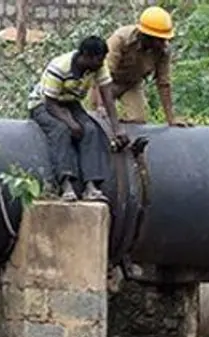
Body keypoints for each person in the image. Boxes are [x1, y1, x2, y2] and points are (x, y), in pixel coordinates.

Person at [28, 35, 125, 202]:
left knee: (91, 130)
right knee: (61, 130)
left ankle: (91, 186)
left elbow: (108, 98)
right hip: (43, 104)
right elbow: (50, 103)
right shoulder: (60, 67)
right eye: (98, 59)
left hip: (70, 103)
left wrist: (117, 128)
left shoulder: (98, 68)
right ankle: (65, 184)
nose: (101, 63)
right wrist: (70, 122)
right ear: (86, 56)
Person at [89, 6, 183, 127]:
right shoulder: (121, 38)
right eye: (159, 39)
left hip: (131, 85)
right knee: (100, 120)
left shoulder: (163, 50)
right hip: (107, 82)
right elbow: (103, 72)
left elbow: (163, 83)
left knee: (137, 121)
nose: (163, 43)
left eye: (165, 39)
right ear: (146, 36)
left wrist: (171, 119)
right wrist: (100, 105)